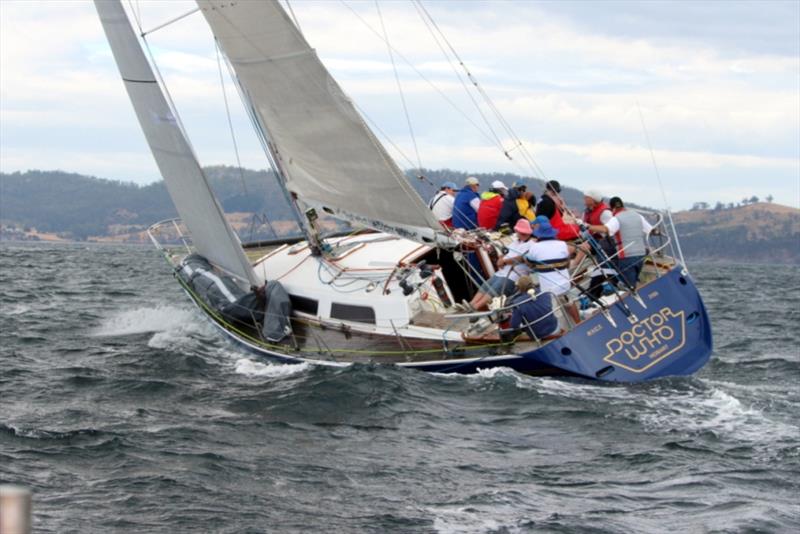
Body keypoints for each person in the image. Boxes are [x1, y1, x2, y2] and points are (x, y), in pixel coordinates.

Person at [467, 218, 535, 310]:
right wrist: (500, 259)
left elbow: (522, 258)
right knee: (487, 285)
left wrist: (505, 261)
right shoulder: (515, 242)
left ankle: (475, 307)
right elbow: (505, 252)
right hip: (503, 271)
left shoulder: (532, 244)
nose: (520, 234)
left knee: (496, 288)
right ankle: (471, 304)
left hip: (514, 275)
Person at [587, 196, 653, 288]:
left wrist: (588, 226)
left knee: (628, 287)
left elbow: (605, 229)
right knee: (634, 280)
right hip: (641, 255)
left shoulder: (617, 218)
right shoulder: (637, 215)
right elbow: (651, 231)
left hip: (627, 256)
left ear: (613, 209)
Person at [524, 216, 580, 323]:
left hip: (549, 290)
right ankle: (578, 322)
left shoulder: (534, 247)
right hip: (565, 285)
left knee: (554, 311)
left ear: (539, 234)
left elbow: (529, 263)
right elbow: (567, 263)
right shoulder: (563, 244)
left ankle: (561, 331)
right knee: (569, 302)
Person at [580, 190, 617, 298]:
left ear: (592, 199)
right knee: (576, 248)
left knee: (584, 248)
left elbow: (610, 230)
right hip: (591, 239)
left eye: (586, 197)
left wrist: (590, 229)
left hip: (604, 242)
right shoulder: (586, 212)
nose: (584, 200)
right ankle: (574, 268)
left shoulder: (605, 213)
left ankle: (596, 290)